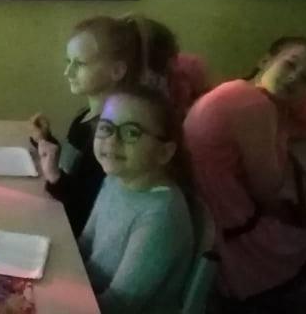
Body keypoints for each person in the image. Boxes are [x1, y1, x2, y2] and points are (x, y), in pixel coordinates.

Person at [184, 36, 306, 310]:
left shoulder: (236, 90)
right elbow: (268, 189)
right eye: (289, 65)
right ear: (266, 60)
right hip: (228, 233)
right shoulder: (254, 105)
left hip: (203, 219)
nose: (293, 79)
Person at [79, 86, 194, 314]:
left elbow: (119, 305)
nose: (112, 141)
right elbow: (84, 244)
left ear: (164, 152)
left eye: (131, 132)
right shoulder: (115, 179)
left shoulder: (161, 215)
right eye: (106, 128)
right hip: (87, 294)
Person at [32, 16, 143, 234]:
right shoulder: (85, 117)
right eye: (68, 62)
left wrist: (55, 177)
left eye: (80, 64)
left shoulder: (110, 135)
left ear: (117, 71)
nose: (68, 72)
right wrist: (45, 140)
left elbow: (87, 208)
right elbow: (74, 169)